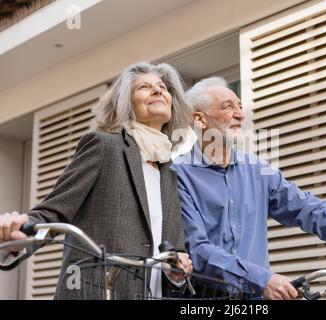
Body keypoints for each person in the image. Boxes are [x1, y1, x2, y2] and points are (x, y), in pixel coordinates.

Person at [171, 77, 326, 300]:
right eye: (228, 106)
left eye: (240, 106)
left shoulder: (257, 170)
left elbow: (309, 209)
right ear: (200, 120)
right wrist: (261, 279)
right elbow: (199, 249)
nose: (240, 114)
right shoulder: (178, 174)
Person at [0, 62, 193, 299]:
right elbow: (53, 213)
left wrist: (177, 273)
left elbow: (174, 250)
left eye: (162, 87)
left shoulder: (171, 173)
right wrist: (16, 239)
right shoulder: (104, 147)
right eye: (144, 87)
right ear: (126, 104)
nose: (158, 91)